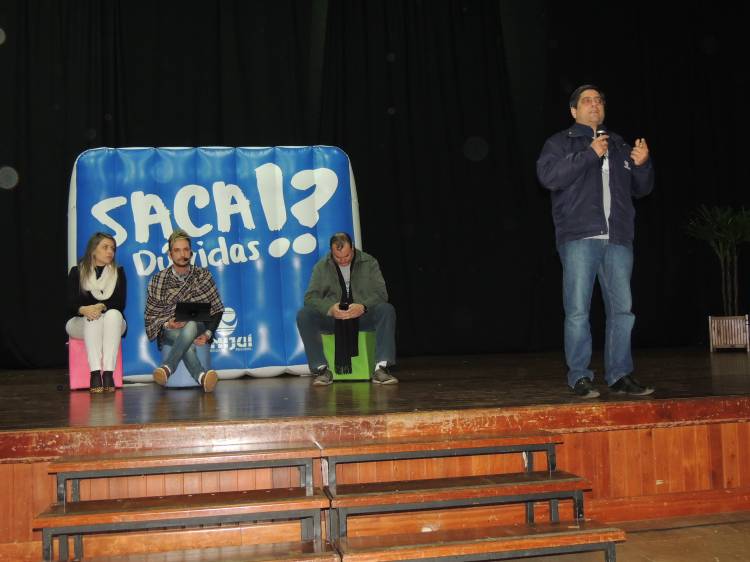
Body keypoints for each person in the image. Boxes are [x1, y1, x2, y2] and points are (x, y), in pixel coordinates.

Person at [536, 84, 655, 398]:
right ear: (574, 110)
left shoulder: (618, 144)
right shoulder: (559, 143)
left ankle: (620, 375)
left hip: (618, 237)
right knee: (578, 310)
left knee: (623, 312)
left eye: (599, 100)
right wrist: (589, 154)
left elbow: (641, 189)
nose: (594, 104)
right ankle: (579, 376)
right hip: (579, 236)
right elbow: (548, 177)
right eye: (587, 100)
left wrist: (642, 165)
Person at [297, 232, 398, 386]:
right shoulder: (321, 266)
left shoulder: (369, 262)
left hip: (362, 316)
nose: (343, 260)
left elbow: (381, 294)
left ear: (353, 248)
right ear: (331, 252)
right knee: (304, 314)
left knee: (386, 310)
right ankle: (322, 369)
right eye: (338, 257)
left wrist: (363, 306)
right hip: (334, 318)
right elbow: (310, 298)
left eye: (347, 256)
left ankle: (381, 368)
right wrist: (330, 309)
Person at [144, 229, 224, 392]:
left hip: (199, 327)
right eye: (177, 250)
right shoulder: (158, 280)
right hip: (169, 331)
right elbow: (151, 316)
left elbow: (217, 309)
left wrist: (208, 334)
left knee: (192, 323)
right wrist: (168, 323)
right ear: (170, 254)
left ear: (191, 252)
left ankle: (167, 368)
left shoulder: (203, 276)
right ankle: (202, 377)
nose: (182, 254)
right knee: (186, 335)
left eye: (186, 249)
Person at [66, 232, 127, 393]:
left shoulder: (118, 272)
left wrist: (101, 306)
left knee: (113, 314)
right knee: (93, 317)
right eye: (105, 247)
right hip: (80, 323)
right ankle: (94, 373)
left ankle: (108, 374)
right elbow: (69, 304)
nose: (110, 252)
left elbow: (119, 304)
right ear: (93, 250)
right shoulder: (77, 272)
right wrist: (83, 309)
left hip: (112, 323)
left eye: (112, 248)